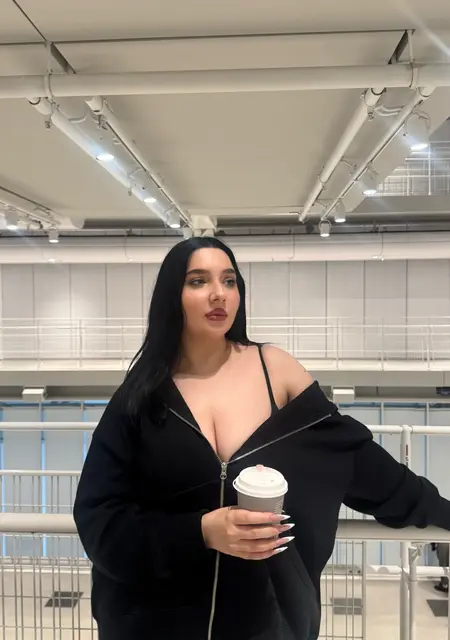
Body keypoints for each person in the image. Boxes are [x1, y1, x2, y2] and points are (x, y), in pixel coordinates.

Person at [73, 237, 450, 640]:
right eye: (198, 281)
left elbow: (359, 460)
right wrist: (202, 531)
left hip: (264, 622)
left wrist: (442, 512)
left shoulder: (276, 371)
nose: (218, 293)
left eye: (229, 281)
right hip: (153, 622)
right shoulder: (141, 396)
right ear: (172, 296)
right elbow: (99, 518)